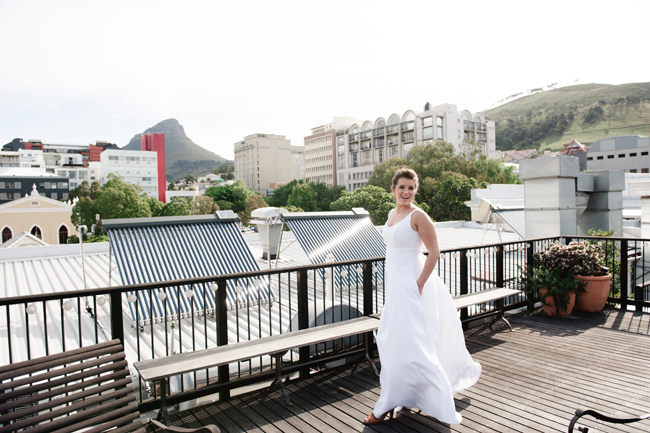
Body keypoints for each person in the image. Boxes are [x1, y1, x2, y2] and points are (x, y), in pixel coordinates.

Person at [363, 167, 481, 425]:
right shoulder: (392, 213)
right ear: (393, 190)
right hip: (395, 286)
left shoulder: (419, 216)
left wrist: (419, 284)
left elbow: (434, 251)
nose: (406, 192)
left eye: (411, 188)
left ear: (415, 191)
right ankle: (407, 394)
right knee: (392, 340)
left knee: (412, 344)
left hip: (411, 286)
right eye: (402, 187)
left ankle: (389, 405)